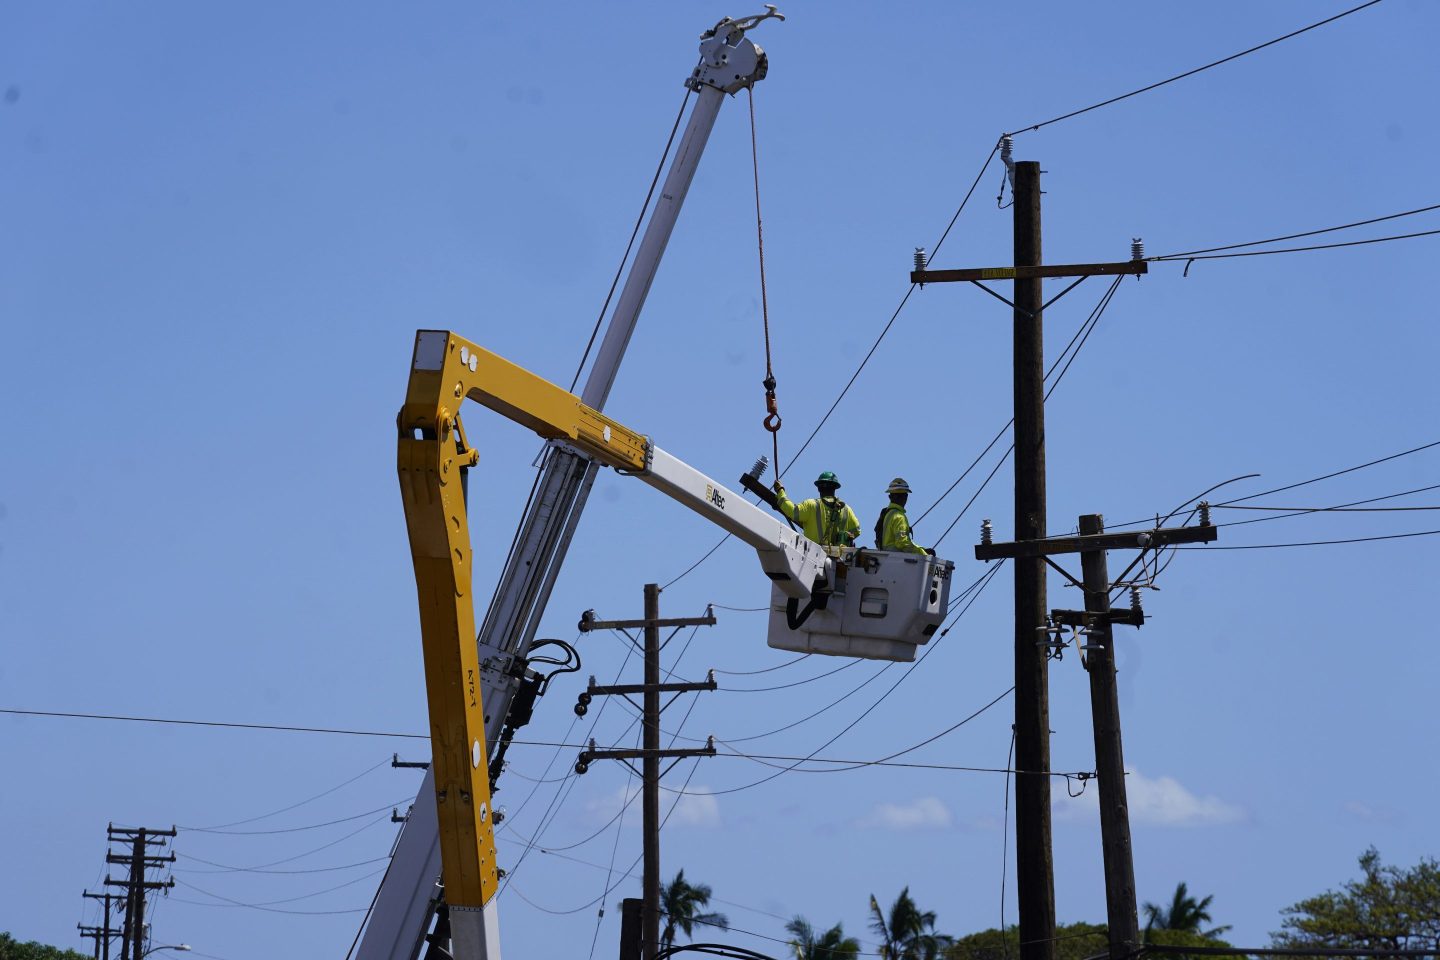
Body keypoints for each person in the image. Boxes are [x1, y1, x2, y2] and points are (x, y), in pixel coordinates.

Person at [772, 470, 861, 547]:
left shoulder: (811, 505)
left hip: (814, 556)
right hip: (839, 557)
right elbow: (856, 530)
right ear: (835, 488)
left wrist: (780, 491)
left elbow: (792, 511)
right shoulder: (846, 509)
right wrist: (844, 537)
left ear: (818, 488)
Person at [875, 477, 934, 555]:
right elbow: (903, 543)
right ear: (905, 497)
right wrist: (923, 554)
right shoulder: (899, 517)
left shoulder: (887, 514)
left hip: (885, 558)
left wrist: (922, 549)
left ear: (890, 497)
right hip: (897, 559)